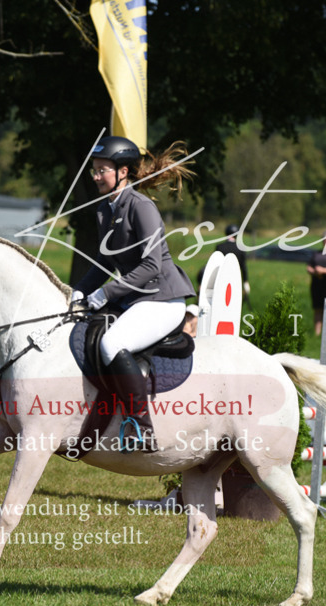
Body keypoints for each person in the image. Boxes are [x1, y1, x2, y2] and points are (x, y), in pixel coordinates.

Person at [70, 135, 197, 452]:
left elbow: (152, 265)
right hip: (136, 298)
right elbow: (104, 261)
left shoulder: (141, 207)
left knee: (113, 342)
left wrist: (106, 293)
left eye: (102, 170)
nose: (97, 176)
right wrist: (78, 292)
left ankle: (141, 427)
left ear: (122, 172)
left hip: (162, 299)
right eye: (95, 170)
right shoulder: (104, 209)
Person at [216, 224, 250, 305]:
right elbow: (243, 267)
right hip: (235, 278)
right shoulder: (240, 248)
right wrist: (245, 281)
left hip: (221, 278)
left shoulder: (220, 247)